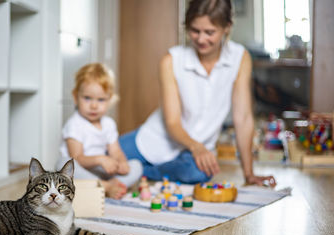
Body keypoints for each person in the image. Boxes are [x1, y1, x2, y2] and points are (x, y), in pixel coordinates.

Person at [119, 0, 276, 187]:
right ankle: (136, 168)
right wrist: (196, 147)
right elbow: (172, 122)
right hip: (154, 140)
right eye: (195, 30)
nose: (201, 39)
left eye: (209, 32)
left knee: (200, 172)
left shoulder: (240, 58)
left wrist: (249, 174)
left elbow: (243, 118)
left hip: (193, 156)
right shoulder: (171, 60)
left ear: (227, 27)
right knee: (92, 160)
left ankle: (140, 171)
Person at [56, 63, 143, 199]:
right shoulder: (74, 124)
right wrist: (100, 159)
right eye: (87, 98)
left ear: (110, 100)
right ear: (75, 97)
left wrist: (122, 162)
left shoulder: (108, 124)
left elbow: (116, 151)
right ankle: (107, 187)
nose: (94, 105)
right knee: (63, 163)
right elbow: (77, 157)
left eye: (101, 99)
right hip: (80, 171)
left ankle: (106, 184)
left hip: (101, 172)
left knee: (136, 165)